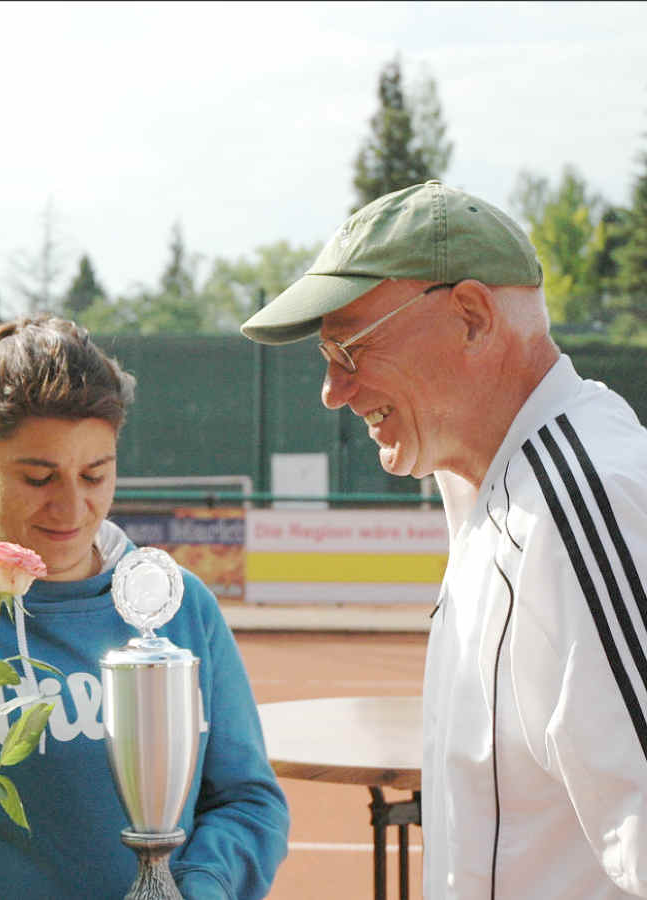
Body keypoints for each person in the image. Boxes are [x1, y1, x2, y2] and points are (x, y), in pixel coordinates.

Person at [241, 179, 647, 897]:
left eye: (350, 345)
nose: (333, 389)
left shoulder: (581, 504)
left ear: (471, 317)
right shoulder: (505, 495)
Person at [0, 316, 289, 899]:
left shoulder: (181, 607)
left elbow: (248, 800)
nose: (71, 507)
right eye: (39, 477)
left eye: (94, 475)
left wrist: (200, 888)